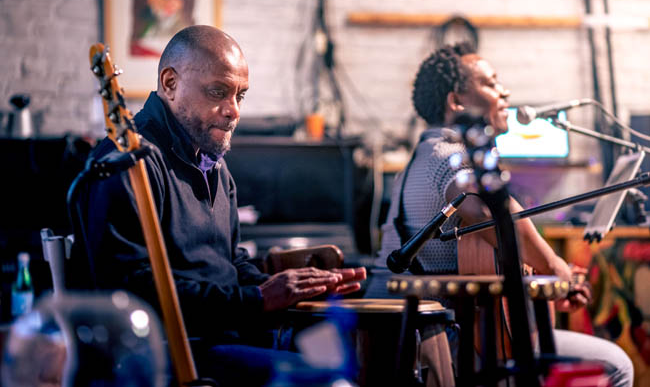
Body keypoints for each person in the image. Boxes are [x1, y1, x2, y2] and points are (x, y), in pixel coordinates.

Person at [82, 25, 366, 385]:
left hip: (226, 336)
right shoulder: (127, 161)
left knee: (347, 350)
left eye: (240, 96)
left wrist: (287, 287)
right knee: (324, 379)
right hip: (170, 355)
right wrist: (256, 300)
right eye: (219, 92)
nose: (233, 111)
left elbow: (230, 263)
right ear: (170, 83)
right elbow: (131, 293)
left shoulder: (212, 161)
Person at [372, 42, 634, 386]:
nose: (505, 91)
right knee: (616, 365)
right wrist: (556, 272)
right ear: (456, 102)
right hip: (444, 344)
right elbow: (501, 224)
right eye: (491, 83)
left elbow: (494, 251)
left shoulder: (424, 154)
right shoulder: (450, 159)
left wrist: (551, 282)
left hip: (429, 334)